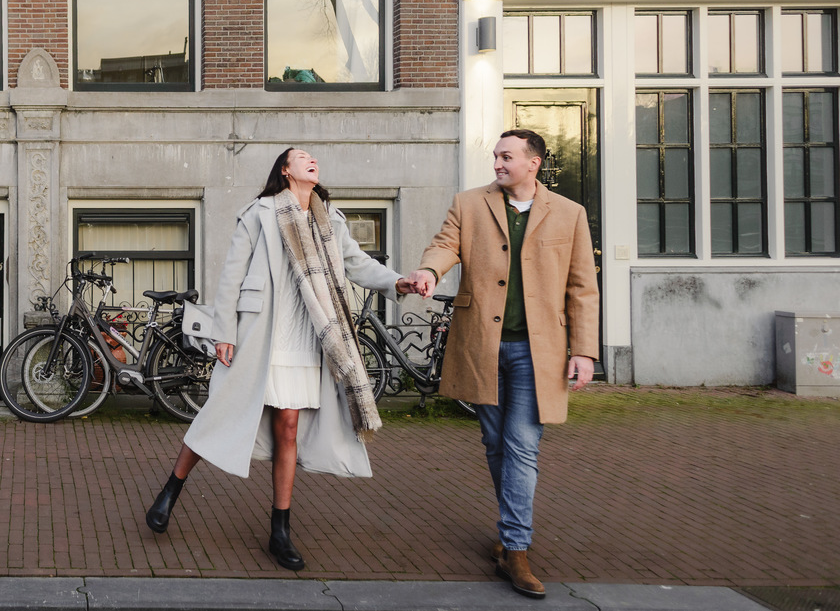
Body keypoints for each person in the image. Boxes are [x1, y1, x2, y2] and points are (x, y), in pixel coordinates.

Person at [145, 147, 418, 571]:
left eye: (314, 157)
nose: (313, 160)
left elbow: (358, 265)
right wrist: (224, 332)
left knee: (288, 427)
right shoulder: (260, 213)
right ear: (286, 170)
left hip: (307, 339)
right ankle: (170, 491)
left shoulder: (330, 219)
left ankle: (280, 530)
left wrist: (398, 282)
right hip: (261, 335)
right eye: (302, 156)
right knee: (221, 413)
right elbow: (231, 275)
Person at [408, 129, 598, 600]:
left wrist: (584, 350)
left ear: (533, 163)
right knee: (496, 443)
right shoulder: (470, 203)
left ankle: (515, 547)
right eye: (495, 155)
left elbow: (582, 287)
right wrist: (429, 271)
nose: (497, 162)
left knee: (522, 445)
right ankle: (510, 530)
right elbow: (445, 245)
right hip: (482, 345)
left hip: (542, 350)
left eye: (506, 156)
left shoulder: (570, 214)